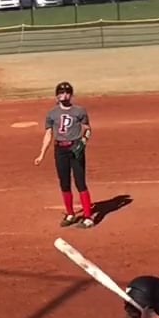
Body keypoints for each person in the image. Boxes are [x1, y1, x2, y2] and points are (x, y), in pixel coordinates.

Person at [34, 81, 93, 227]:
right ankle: (70, 214)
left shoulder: (79, 111)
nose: (64, 95)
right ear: (57, 95)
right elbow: (48, 134)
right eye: (61, 92)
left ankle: (88, 217)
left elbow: (87, 129)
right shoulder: (52, 113)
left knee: (80, 182)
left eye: (67, 92)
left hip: (75, 147)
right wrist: (41, 154)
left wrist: (83, 142)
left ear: (71, 95)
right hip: (60, 150)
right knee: (64, 182)